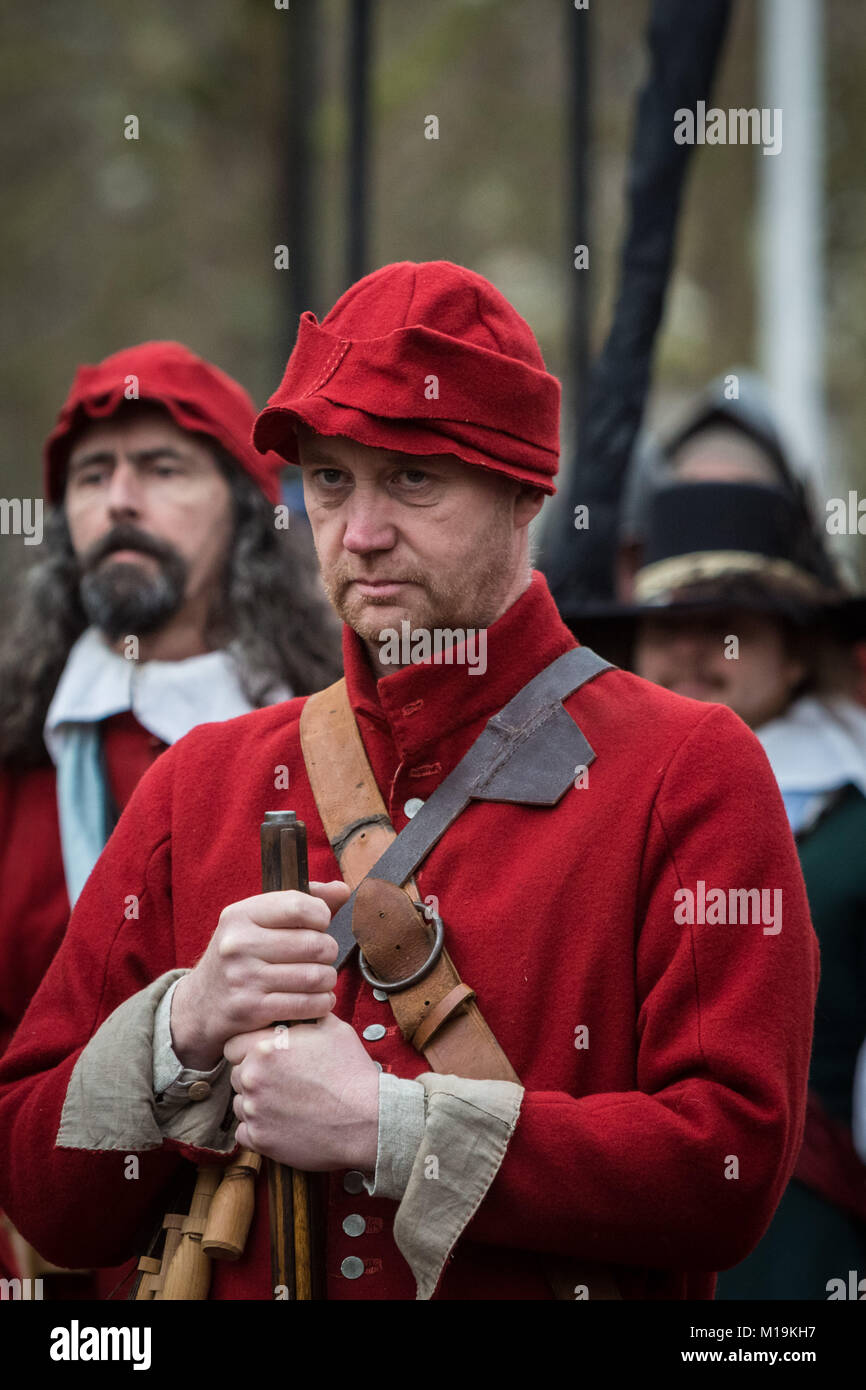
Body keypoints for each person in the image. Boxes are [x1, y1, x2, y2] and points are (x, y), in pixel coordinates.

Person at [0, 261, 818, 1301]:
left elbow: (724, 1172)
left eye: (412, 479)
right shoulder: (201, 779)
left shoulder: (686, 769)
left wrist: (386, 1127)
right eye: (331, 480)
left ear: (524, 490)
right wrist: (184, 1026)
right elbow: (45, 1199)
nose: (362, 531)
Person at [0, 340, 340, 1288]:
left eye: (161, 469)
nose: (118, 501)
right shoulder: (17, 760)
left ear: (243, 509)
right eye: (93, 475)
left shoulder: (344, 740)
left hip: (281, 1245)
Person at [623, 476, 866, 1299]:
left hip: (798, 1249)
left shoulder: (858, 819)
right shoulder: (587, 799)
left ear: (794, 651)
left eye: (723, 632)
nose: (689, 656)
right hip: (605, 1232)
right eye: (665, 630)